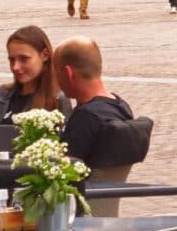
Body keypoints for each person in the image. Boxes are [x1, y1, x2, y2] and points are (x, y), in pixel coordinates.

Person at [53, 38, 135, 166]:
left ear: (69, 73)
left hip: (85, 185)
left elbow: (60, 171)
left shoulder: (86, 118)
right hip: (110, 185)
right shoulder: (122, 107)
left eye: (56, 71)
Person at [0, 25, 59, 124]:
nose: (15, 67)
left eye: (24, 59)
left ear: (44, 55)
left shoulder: (56, 100)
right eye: (12, 60)